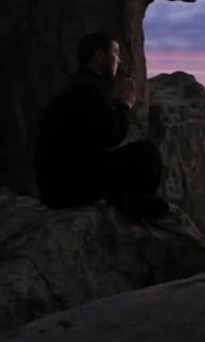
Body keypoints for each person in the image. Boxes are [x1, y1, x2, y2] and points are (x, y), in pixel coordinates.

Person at [34, 31, 169, 220]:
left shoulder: (79, 85)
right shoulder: (88, 89)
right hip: (67, 188)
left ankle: (127, 201)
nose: (119, 61)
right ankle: (132, 205)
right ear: (99, 56)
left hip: (58, 185)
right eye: (115, 52)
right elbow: (110, 137)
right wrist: (124, 106)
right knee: (147, 153)